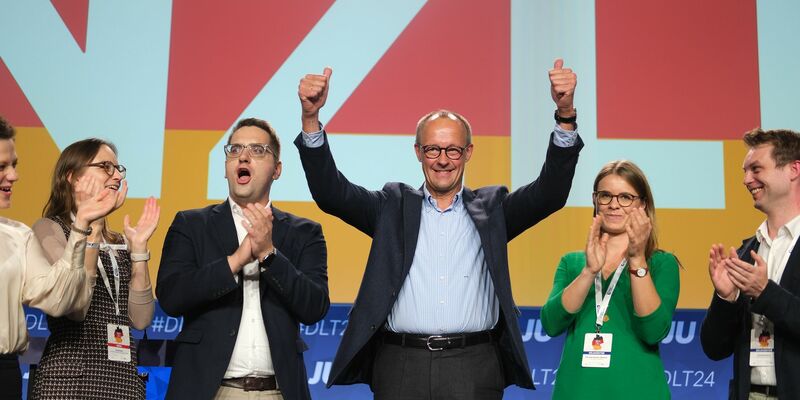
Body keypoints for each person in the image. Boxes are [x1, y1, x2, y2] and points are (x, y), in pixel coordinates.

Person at [294, 59, 582, 399]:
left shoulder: (493, 209)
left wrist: (565, 116)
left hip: (474, 365)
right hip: (401, 364)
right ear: (418, 151)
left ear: (468, 152)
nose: (442, 159)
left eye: (453, 150)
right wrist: (311, 120)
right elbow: (332, 193)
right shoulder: (391, 206)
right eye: (432, 149)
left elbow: (550, 193)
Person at [157, 117, 330, 400]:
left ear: (277, 170)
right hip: (208, 391)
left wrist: (268, 255)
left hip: (277, 392)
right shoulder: (191, 224)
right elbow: (171, 296)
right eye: (234, 150)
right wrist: (235, 261)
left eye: (258, 150)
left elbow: (315, 307)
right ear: (226, 169)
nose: (244, 157)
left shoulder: (305, 233)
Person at [0, 117, 122, 400]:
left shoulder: (19, 236)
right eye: (2, 166)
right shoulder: (44, 229)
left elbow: (63, 300)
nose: (14, 176)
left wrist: (81, 226)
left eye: (14, 165)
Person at [30, 138, 159, 400]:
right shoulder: (50, 229)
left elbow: (142, 319)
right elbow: (75, 308)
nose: (115, 175)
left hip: (122, 383)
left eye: (117, 168)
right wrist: (93, 223)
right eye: (104, 166)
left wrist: (139, 251)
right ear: (73, 177)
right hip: (70, 383)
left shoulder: (119, 241)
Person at [540, 160, 680, 399]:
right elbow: (551, 324)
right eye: (606, 196)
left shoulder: (661, 263)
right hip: (576, 392)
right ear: (595, 200)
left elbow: (654, 332)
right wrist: (588, 272)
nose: (614, 204)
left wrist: (637, 260)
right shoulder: (572, 263)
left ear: (643, 205)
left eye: (625, 197)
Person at [701, 128, 800, 399]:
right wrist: (726, 298)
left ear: (793, 169)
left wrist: (765, 293)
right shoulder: (747, 252)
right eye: (745, 171)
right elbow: (714, 348)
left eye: (756, 169)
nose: (746, 180)